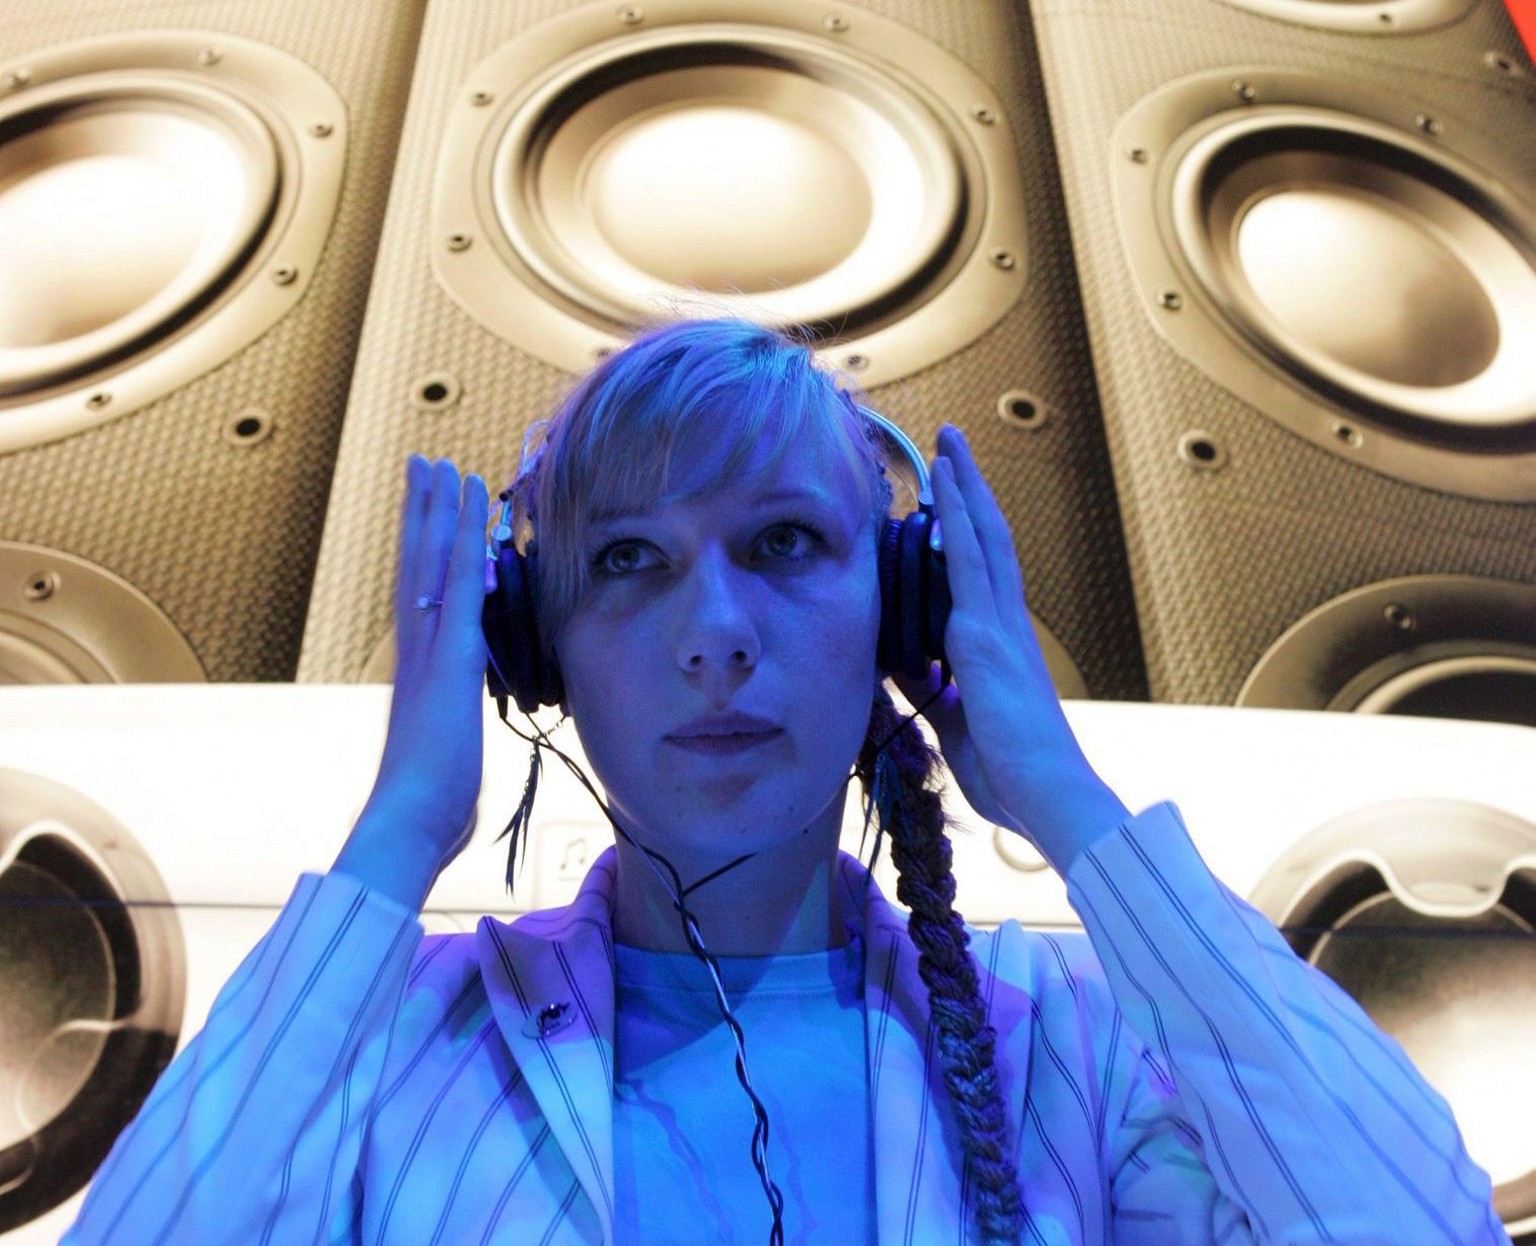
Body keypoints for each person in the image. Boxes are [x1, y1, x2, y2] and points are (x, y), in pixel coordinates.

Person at [64, 318, 1505, 1245]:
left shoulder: (1070, 1042)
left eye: (784, 544)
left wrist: (1072, 806)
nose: (715, 633)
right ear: (536, 646)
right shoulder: (391, 1043)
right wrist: (396, 835)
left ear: (905, 607)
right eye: (629, 559)